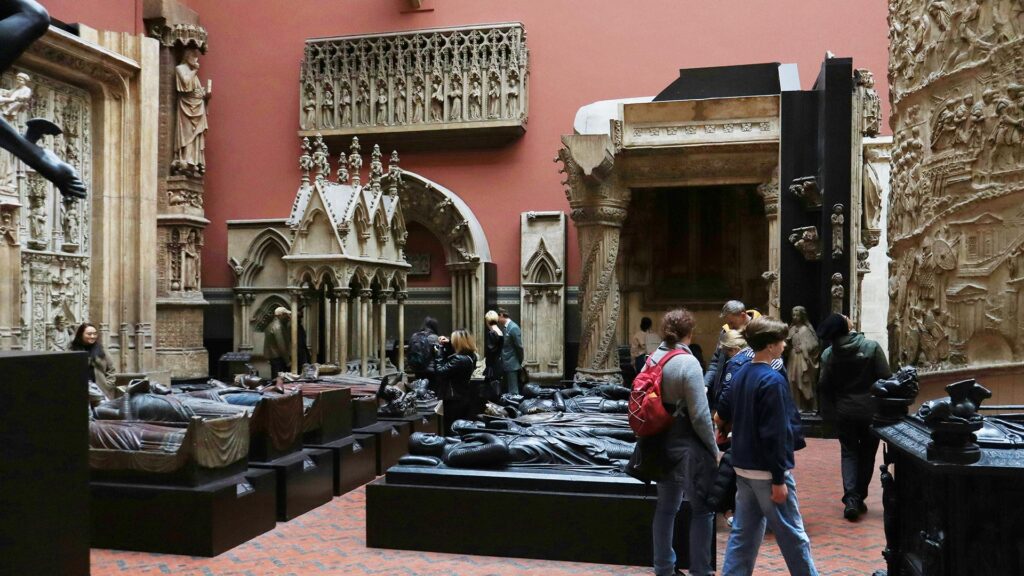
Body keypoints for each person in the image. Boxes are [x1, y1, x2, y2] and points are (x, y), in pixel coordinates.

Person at [717, 317, 817, 576]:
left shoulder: (741, 373)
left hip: (743, 467)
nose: (784, 345)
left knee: (744, 536)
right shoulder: (771, 380)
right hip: (765, 471)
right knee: (794, 536)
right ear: (771, 346)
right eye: (781, 341)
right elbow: (775, 434)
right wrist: (778, 477)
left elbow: (724, 410)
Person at [649, 308, 719, 576]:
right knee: (702, 509)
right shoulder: (688, 363)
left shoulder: (653, 358)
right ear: (689, 333)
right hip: (686, 443)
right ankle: (701, 570)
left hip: (659, 438)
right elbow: (700, 415)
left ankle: (664, 567)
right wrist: (713, 449)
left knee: (666, 507)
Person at [816, 313, 891, 521]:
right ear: (846, 327)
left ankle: (851, 498)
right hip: (870, 409)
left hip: (844, 410)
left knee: (849, 453)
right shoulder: (871, 347)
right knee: (867, 453)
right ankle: (859, 497)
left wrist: (832, 409)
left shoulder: (829, 354)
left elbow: (824, 385)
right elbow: (886, 378)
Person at [427, 329, 479, 433]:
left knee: (451, 430)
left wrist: (439, 351)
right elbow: (457, 351)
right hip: (462, 397)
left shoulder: (459, 360)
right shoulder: (471, 356)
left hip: (453, 400)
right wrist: (448, 344)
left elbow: (441, 371)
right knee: (460, 428)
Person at [704, 300, 761, 390]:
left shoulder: (761, 330)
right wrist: (705, 384)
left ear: (742, 315)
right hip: (725, 388)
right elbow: (716, 362)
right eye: (728, 323)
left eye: (731, 323)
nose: (729, 327)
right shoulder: (725, 332)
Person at [173, 47, 211, 175]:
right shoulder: (181, 68)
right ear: (187, 55)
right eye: (194, 55)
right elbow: (186, 82)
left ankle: (193, 160)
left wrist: (205, 96)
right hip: (187, 107)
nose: (196, 58)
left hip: (197, 106)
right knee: (187, 134)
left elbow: (196, 90)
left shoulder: (191, 71)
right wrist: (195, 70)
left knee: (195, 135)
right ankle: (184, 158)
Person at [69, 322, 116, 400]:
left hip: (100, 390)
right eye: (89, 334)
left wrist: (108, 385)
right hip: (79, 391)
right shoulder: (72, 350)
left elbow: (111, 370)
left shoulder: (102, 350)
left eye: (95, 334)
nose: (92, 336)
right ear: (81, 334)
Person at [407, 317, 441, 391]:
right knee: (431, 391)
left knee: (419, 389)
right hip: (430, 370)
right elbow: (438, 354)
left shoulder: (414, 335)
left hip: (417, 368)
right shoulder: (434, 337)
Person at [497, 308, 524, 395]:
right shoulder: (506, 327)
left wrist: (519, 361)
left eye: (497, 317)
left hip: (512, 364)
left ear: (501, 315)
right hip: (506, 363)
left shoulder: (513, 327)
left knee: (513, 392)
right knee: (508, 391)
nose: (497, 320)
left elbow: (519, 347)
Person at [263, 307, 291, 378]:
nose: (288, 317)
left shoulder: (272, 324)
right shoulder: (277, 326)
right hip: (278, 356)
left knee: (276, 378)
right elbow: (281, 344)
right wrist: (287, 361)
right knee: (279, 379)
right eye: (286, 314)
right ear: (280, 315)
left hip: (274, 356)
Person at [483, 310, 504, 396]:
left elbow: (490, 352)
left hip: (492, 366)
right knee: (496, 389)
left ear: (487, 320)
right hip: (498, 364)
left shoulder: (492, 333)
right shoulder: (500, 331)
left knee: (491, 392)